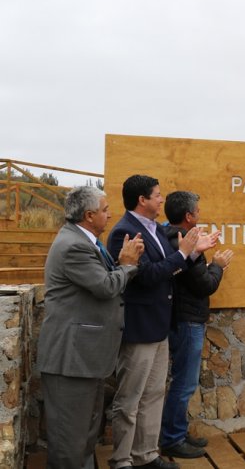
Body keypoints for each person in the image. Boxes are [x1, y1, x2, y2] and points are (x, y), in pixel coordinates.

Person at [107, 175, 217, 469]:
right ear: (142, 200)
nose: (161, 199)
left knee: (154, 395)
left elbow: (173, 267)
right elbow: (147, 276)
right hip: (139, 327)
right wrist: (184, 253)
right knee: (130, 399)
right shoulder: (124, 232)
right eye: (157, 195)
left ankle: (146, 455)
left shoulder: (154, 228)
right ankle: (121, 461)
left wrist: (193, 252)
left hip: (159, 326)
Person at [37, 186, 144, 469]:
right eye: (105, 210)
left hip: (84, 359)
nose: (110, 215)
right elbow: (106, 286)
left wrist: (121, 263)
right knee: (69, 444)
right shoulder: (74, 246)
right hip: (71, 361)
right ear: (88, 215)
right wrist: (128, 264)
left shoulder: (85, 241)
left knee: (84, 437)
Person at [160, 191, 233, 458]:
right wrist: (218, 265)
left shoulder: (170, 236)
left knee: (182, 381)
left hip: (183, 318)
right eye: (198, 211)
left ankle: (176, 431)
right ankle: (172, 438)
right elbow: (203, 284)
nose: (200, 214)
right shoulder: (182, 243)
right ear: (189, 216)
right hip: (187, 320)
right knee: (184, 382)